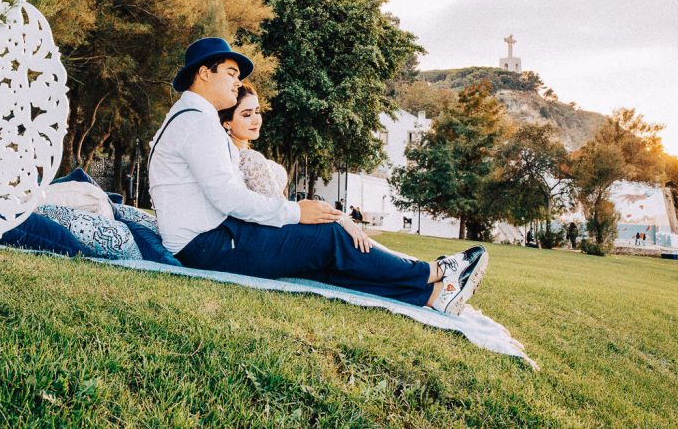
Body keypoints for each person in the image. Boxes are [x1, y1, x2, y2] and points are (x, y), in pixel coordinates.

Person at [148, 37, 489, 315]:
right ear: (204, 74)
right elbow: (229, 198)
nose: (238, 82)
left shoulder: (194, 116)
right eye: (231, 72)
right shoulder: (196, 120)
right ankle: (436, 271)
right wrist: (297, 213)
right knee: (329, 237)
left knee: (321, 264)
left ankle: (431, 297)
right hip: (209, 244)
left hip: (213, 237)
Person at [219, 84, 372, 252]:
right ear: (227, 122)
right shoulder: (247, 158)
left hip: (276, 228)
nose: (256, 119)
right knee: (340, 235)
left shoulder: (240, 154)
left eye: (257, 111)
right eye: (247, 114)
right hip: (272, 238)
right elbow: (280, 209)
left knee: (355, 240)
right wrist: (341, 218)